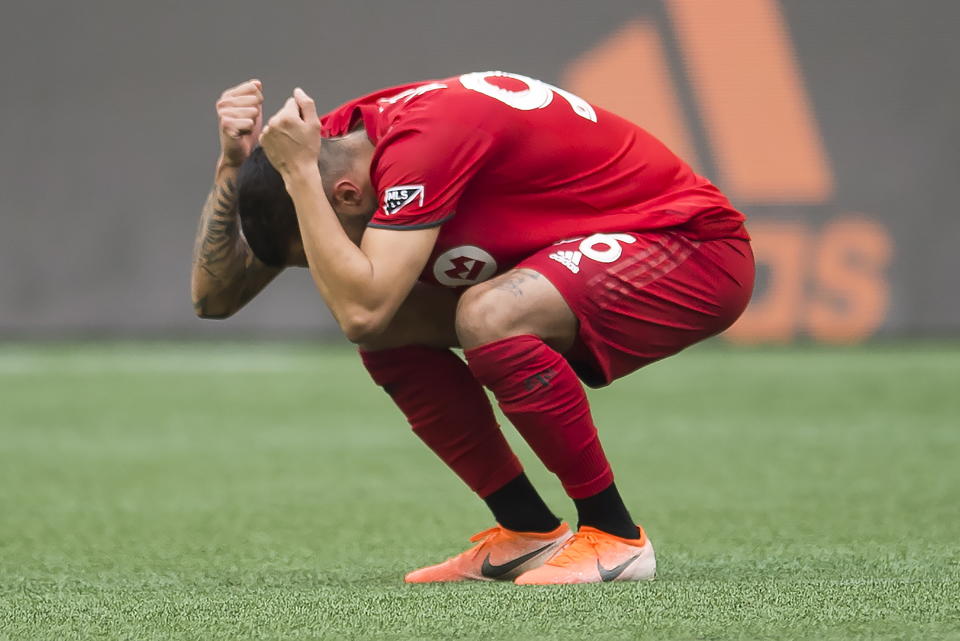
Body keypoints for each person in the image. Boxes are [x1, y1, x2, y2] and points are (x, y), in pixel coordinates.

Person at [191, 72, 754, 585]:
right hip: (579, 249)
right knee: (392, 327)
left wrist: (296, 179)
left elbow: (359, 307)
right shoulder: (329, 148)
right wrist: (234, 165)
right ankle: (528, 532)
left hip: (689, 247)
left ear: (344, 196)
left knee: (486, 314)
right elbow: (215, 298)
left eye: (325, 242)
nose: (328, 259)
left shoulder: (412, 151)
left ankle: (616, 537)